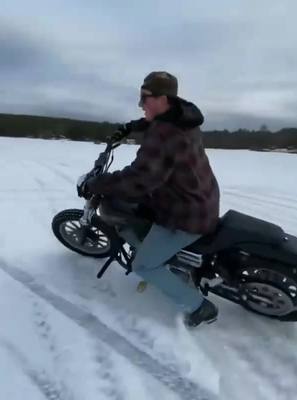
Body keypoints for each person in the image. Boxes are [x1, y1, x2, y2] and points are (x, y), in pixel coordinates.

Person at [78, 71, 220, 327]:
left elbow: (139, 181)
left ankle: (199, 307)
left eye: (145, 98)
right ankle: (168, 256)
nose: (140, 104)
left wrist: (97, 183)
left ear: (163, 98)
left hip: (186, 214)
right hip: (199, 197)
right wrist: (133, 127)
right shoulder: (183, 117)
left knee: (143, 265)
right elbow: (157, 123)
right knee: (140, 212)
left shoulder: (165, 135)